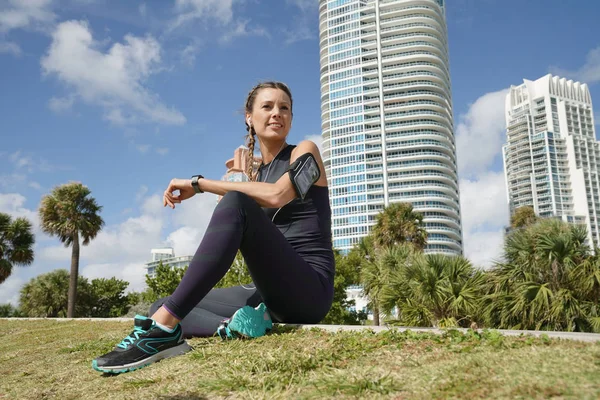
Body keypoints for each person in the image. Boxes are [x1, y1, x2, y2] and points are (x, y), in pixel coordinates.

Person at [92, 81, 335, 374]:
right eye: (267, 107)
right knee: (163, 304)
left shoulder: (306, 152)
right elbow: (229, 221)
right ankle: (230, 328)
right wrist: (236, 179)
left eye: (284, 108)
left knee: (236, 201)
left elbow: (276, 195)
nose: (277, 114)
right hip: (269, 294)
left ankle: (163, 332)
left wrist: (199, 184)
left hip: (309, 289)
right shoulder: (255, 172)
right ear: (249, 117)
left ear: (292, 118)